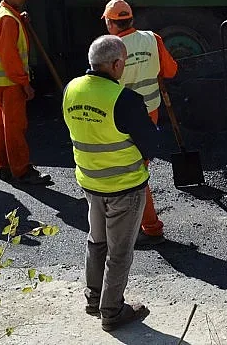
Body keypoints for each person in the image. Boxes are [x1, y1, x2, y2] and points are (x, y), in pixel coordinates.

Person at [64, 35, 160, 332]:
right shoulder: (125, 100)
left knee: (97, 241)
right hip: (124, 187)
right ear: (116, 63)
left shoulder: (72, 89)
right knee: (119, 252)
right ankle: (112, 311)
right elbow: (151, 145)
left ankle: (94, 299)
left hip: (90, 182)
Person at [101, 0, 178, 248]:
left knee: (132, 172)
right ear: (131, 19)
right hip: (150, 112)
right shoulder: (152, 38)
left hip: (122, 118)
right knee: (137, 167)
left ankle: (150, 227)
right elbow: (170, 71)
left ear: (112, 23)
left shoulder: (109, 49)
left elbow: (102, 87)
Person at [0, 0, 51, 185]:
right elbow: (10, 57)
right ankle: (21, 171)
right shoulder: (8, 20)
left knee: (3, 127)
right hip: (9, 83)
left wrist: (20, 17)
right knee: (15, 127)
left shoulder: (1, 13)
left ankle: (5, 166)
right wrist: (24, 83)